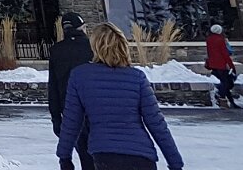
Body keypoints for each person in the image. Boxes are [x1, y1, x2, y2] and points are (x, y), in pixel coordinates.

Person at [58, 21, 184, 170]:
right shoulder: (137, 78)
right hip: (141, 155)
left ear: (95, 46)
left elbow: (71, 121)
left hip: (105, 155)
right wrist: (175, 163)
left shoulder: (80, 76)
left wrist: (64, 157)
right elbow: (157, 123)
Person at [49, 12, 95, 170]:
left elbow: (53, 88)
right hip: (95, 108)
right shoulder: (93, 47)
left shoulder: (56, 51)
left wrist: (56, 118)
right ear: (82, 27)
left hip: (70, 111)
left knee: (85, 155)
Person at [205, 23, 240, 108]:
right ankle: (222, 99)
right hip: (222, 65)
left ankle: (229, 101)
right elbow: (225, 54)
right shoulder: (220, 40)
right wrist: (231, 66)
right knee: (227, 83)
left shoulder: (209, 39)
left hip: (213, 64)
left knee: (224, 83)